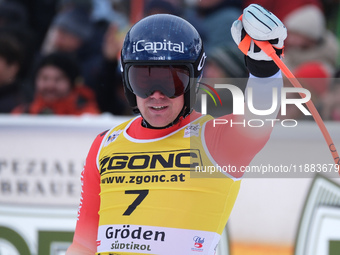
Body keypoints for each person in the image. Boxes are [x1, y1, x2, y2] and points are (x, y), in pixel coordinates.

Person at [66, 4, 286, 255]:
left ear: (193, 84)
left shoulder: (215, 141)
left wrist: (264, 67)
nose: (157, 95)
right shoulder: (105, 144)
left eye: (172, 82)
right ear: (128, 82)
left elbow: (260, 115)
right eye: (144, 81)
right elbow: (83, 243)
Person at [12, 51, 99, 115]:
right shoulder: (21, 114)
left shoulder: (88, 116)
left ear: (72, 83)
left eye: (59, 79)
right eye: (44, 78)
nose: (50, 85)